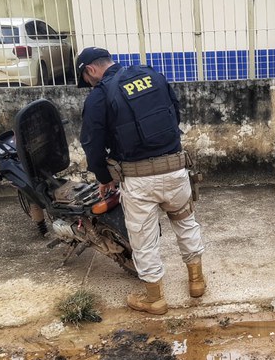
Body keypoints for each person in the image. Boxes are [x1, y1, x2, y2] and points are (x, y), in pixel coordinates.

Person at [76, 46, 206, 315]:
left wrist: (104, 177)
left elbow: (92, 144)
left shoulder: (100, 96)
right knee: (185, 222)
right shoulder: (152, 76)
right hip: (175, 170)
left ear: (90, 70)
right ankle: (196, 281)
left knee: (144, 241)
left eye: (87, 80)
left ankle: (154, 299)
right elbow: (175, 113)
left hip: (138, 180)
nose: (89, 85)